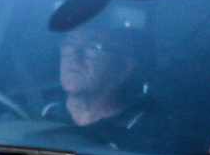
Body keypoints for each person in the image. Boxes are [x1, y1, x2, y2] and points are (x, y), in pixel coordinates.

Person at [44, 9, 151, 142]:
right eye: (70, 44)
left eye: (93, 47)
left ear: (125, 67)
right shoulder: (37, 116)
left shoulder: (146, 135)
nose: (75, 56)